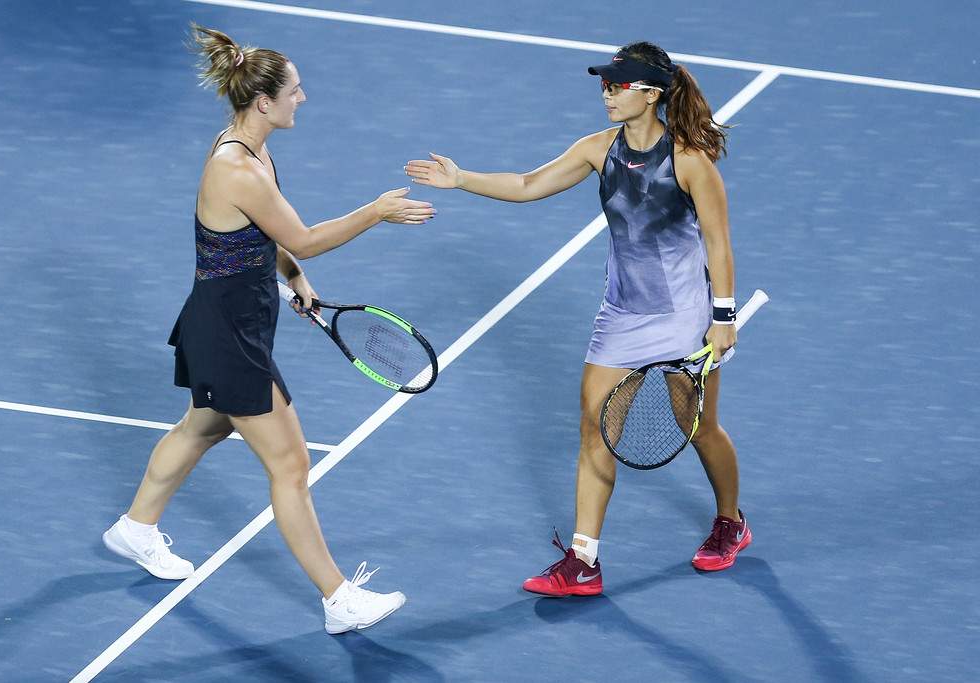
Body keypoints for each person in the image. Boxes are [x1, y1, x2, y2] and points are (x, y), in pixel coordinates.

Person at [102, 25, 435, 633]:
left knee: (203, 426)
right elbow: (302, 235)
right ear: (263, 102)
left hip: (235, 320)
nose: (302, 98)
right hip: (227, 332)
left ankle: (135, 528)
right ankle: (339, 599)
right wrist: (376, 212)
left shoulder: (252, 152)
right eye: (294, 91)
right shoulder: (238, 167)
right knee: (291, 466)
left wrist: (294, 276)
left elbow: (268, 238)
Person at [405, 41, 749, 596]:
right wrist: (462, 178)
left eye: (618, 85)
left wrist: (723, 317)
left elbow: (719, 243)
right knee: (595, 430)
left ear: (651, 94)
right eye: (605, 85)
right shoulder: (596, 150)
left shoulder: (689, 161)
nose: (606, 94)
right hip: (621, 315)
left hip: (684, 317)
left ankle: (731, 521)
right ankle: (583, 561)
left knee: (698, 428)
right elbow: (527, 185)